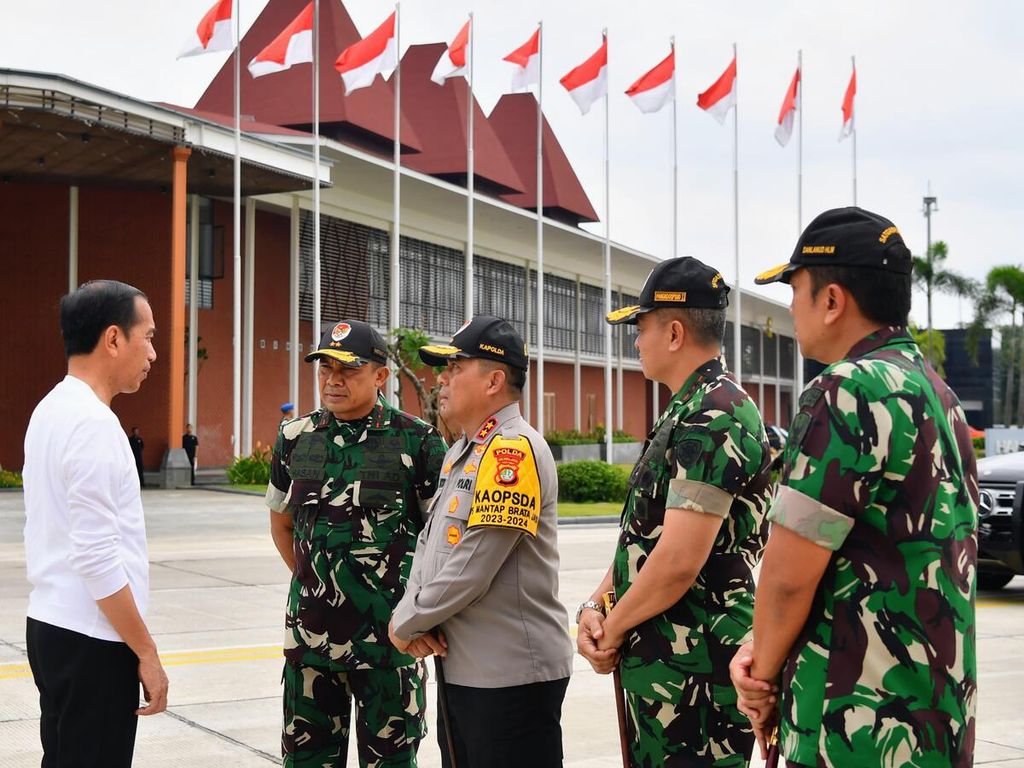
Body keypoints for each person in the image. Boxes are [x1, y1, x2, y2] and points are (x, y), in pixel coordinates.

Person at [731, 207, 978, 766]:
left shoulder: (846, 390)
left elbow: (790, 575)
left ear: (833, 299)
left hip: (854, 728)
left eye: (796, 290)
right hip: (938, 721)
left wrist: (761, 675)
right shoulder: (940, 396)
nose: (791, 306)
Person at [574, 257, 772, 767]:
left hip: (695, 674)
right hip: (667, 664)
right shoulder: (687, 407)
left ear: (676, 331)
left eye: (640, 328)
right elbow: (644, 537)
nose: (636, 342)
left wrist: (612, 629)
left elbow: (680, 558)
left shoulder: (714, 412)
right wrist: (596, 606)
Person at [389, 315, 573, 768]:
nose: (441, 379)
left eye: (455, 368)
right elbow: (433, 548)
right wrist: (416, 616)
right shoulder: (465, 451)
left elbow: (475, 561)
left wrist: (407, 621)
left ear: (494, 380)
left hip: (509, 679)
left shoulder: (513, 450)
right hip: (467, 672)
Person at [266, 319, 447, 768]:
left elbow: (439, 540)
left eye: (348, 369)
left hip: (390, 646)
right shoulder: (295, 438)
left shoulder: (417, 441)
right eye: (325, 367)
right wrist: (322, 583)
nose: (333, 379)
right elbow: (282, 527)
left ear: (381, 375)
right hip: (311, 643)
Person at [22, 279, 169, 768]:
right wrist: (146, 651)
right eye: (147, 336)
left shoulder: (50, 410)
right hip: (92, 638)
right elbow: (97, 556)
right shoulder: (94, 425)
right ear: (112, 339)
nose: (153, 352)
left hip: (51, 624)